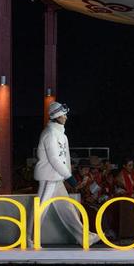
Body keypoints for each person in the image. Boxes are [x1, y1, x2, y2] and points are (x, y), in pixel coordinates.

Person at [27, 102, 99, 248]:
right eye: (63, 115)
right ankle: (28, 239)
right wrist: (70, 178)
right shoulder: (50, 134)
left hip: (57, 178)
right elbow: (54, 159)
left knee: (67, 208)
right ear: (56, 116)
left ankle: (84, 237)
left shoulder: (60, 134)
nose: (66, 117)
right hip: (49, 177)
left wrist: (69, 176)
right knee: (41, 208)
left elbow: (64, 158)